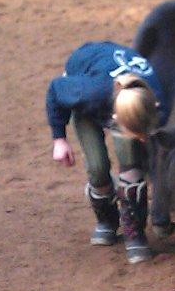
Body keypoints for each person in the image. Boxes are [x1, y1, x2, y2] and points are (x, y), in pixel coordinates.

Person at [46, 42, 165, 263]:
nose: (142, 139)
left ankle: (134, 231)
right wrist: (59, 139)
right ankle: (106, 219)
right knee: (97, 167)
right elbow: (55, 89)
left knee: (131, 165)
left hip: (121, 96)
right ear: (115, 119)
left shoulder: (154, 98)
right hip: (88, 87)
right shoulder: (87, 93)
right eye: (137, 133)